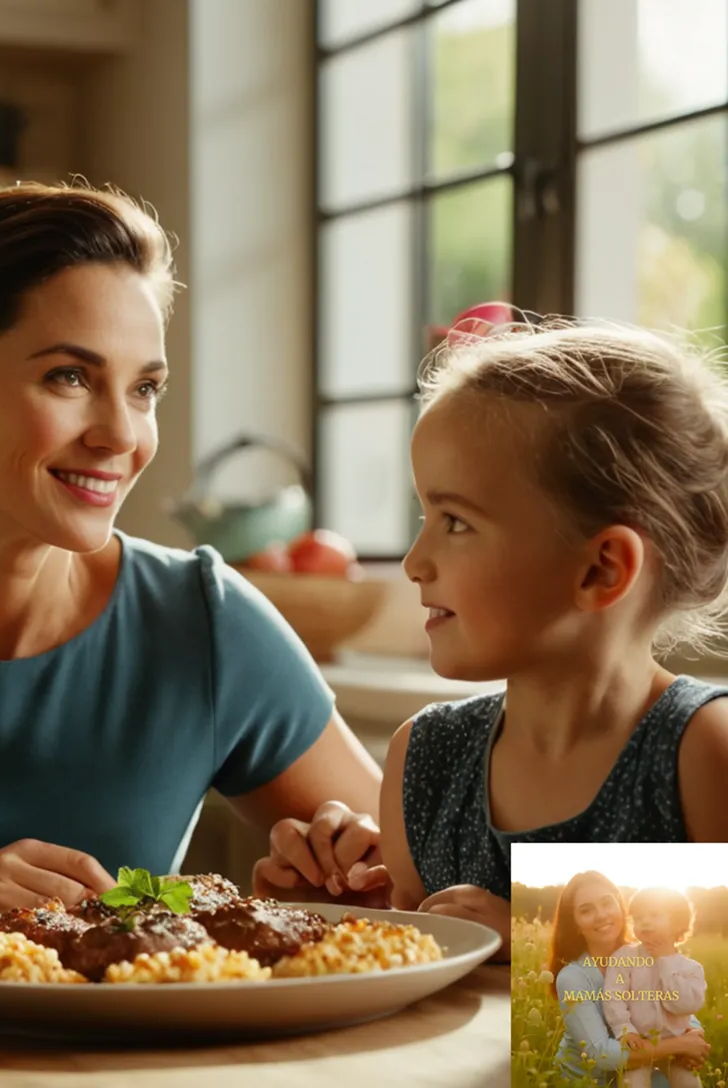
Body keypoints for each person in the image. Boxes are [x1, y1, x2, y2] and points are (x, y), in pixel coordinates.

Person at [0, 181, 382, 924]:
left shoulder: (201, 623)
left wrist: (338, 887)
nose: (121, 436)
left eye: (145, 388)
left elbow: (409, 883)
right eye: (70, 377)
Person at [257, 320, 728, 955]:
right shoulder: (424, 759)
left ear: (601, 569)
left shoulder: (702, 754)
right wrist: (343, 925)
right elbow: (436, 1006)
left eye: (455, 522)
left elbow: (706, 1009)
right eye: (426, 516)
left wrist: (535, 944)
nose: (414, 561)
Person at [548, 872, 709, 1085]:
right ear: (575, 923)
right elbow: (600, 1053)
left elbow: (674, 1004)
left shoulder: (648, 953)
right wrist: (681, 1045)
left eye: (607, 903)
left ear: (620, 906)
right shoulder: (572, 977)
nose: (601, 915)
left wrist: (694, 1033)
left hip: (643, 1064)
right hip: (588, 1079)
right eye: (586, 910)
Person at [602, 886, 706, 1088]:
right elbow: (614, 997)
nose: (645, 922)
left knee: (689, 1083)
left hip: (677, 1050)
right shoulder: (625, 958)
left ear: (678, 924)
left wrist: (664, 962)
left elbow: (685, 1005)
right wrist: (625, 1031)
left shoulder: (691, 969)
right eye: (639, 918)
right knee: (633, 1084)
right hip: (639, 1044)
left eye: (654, 915)